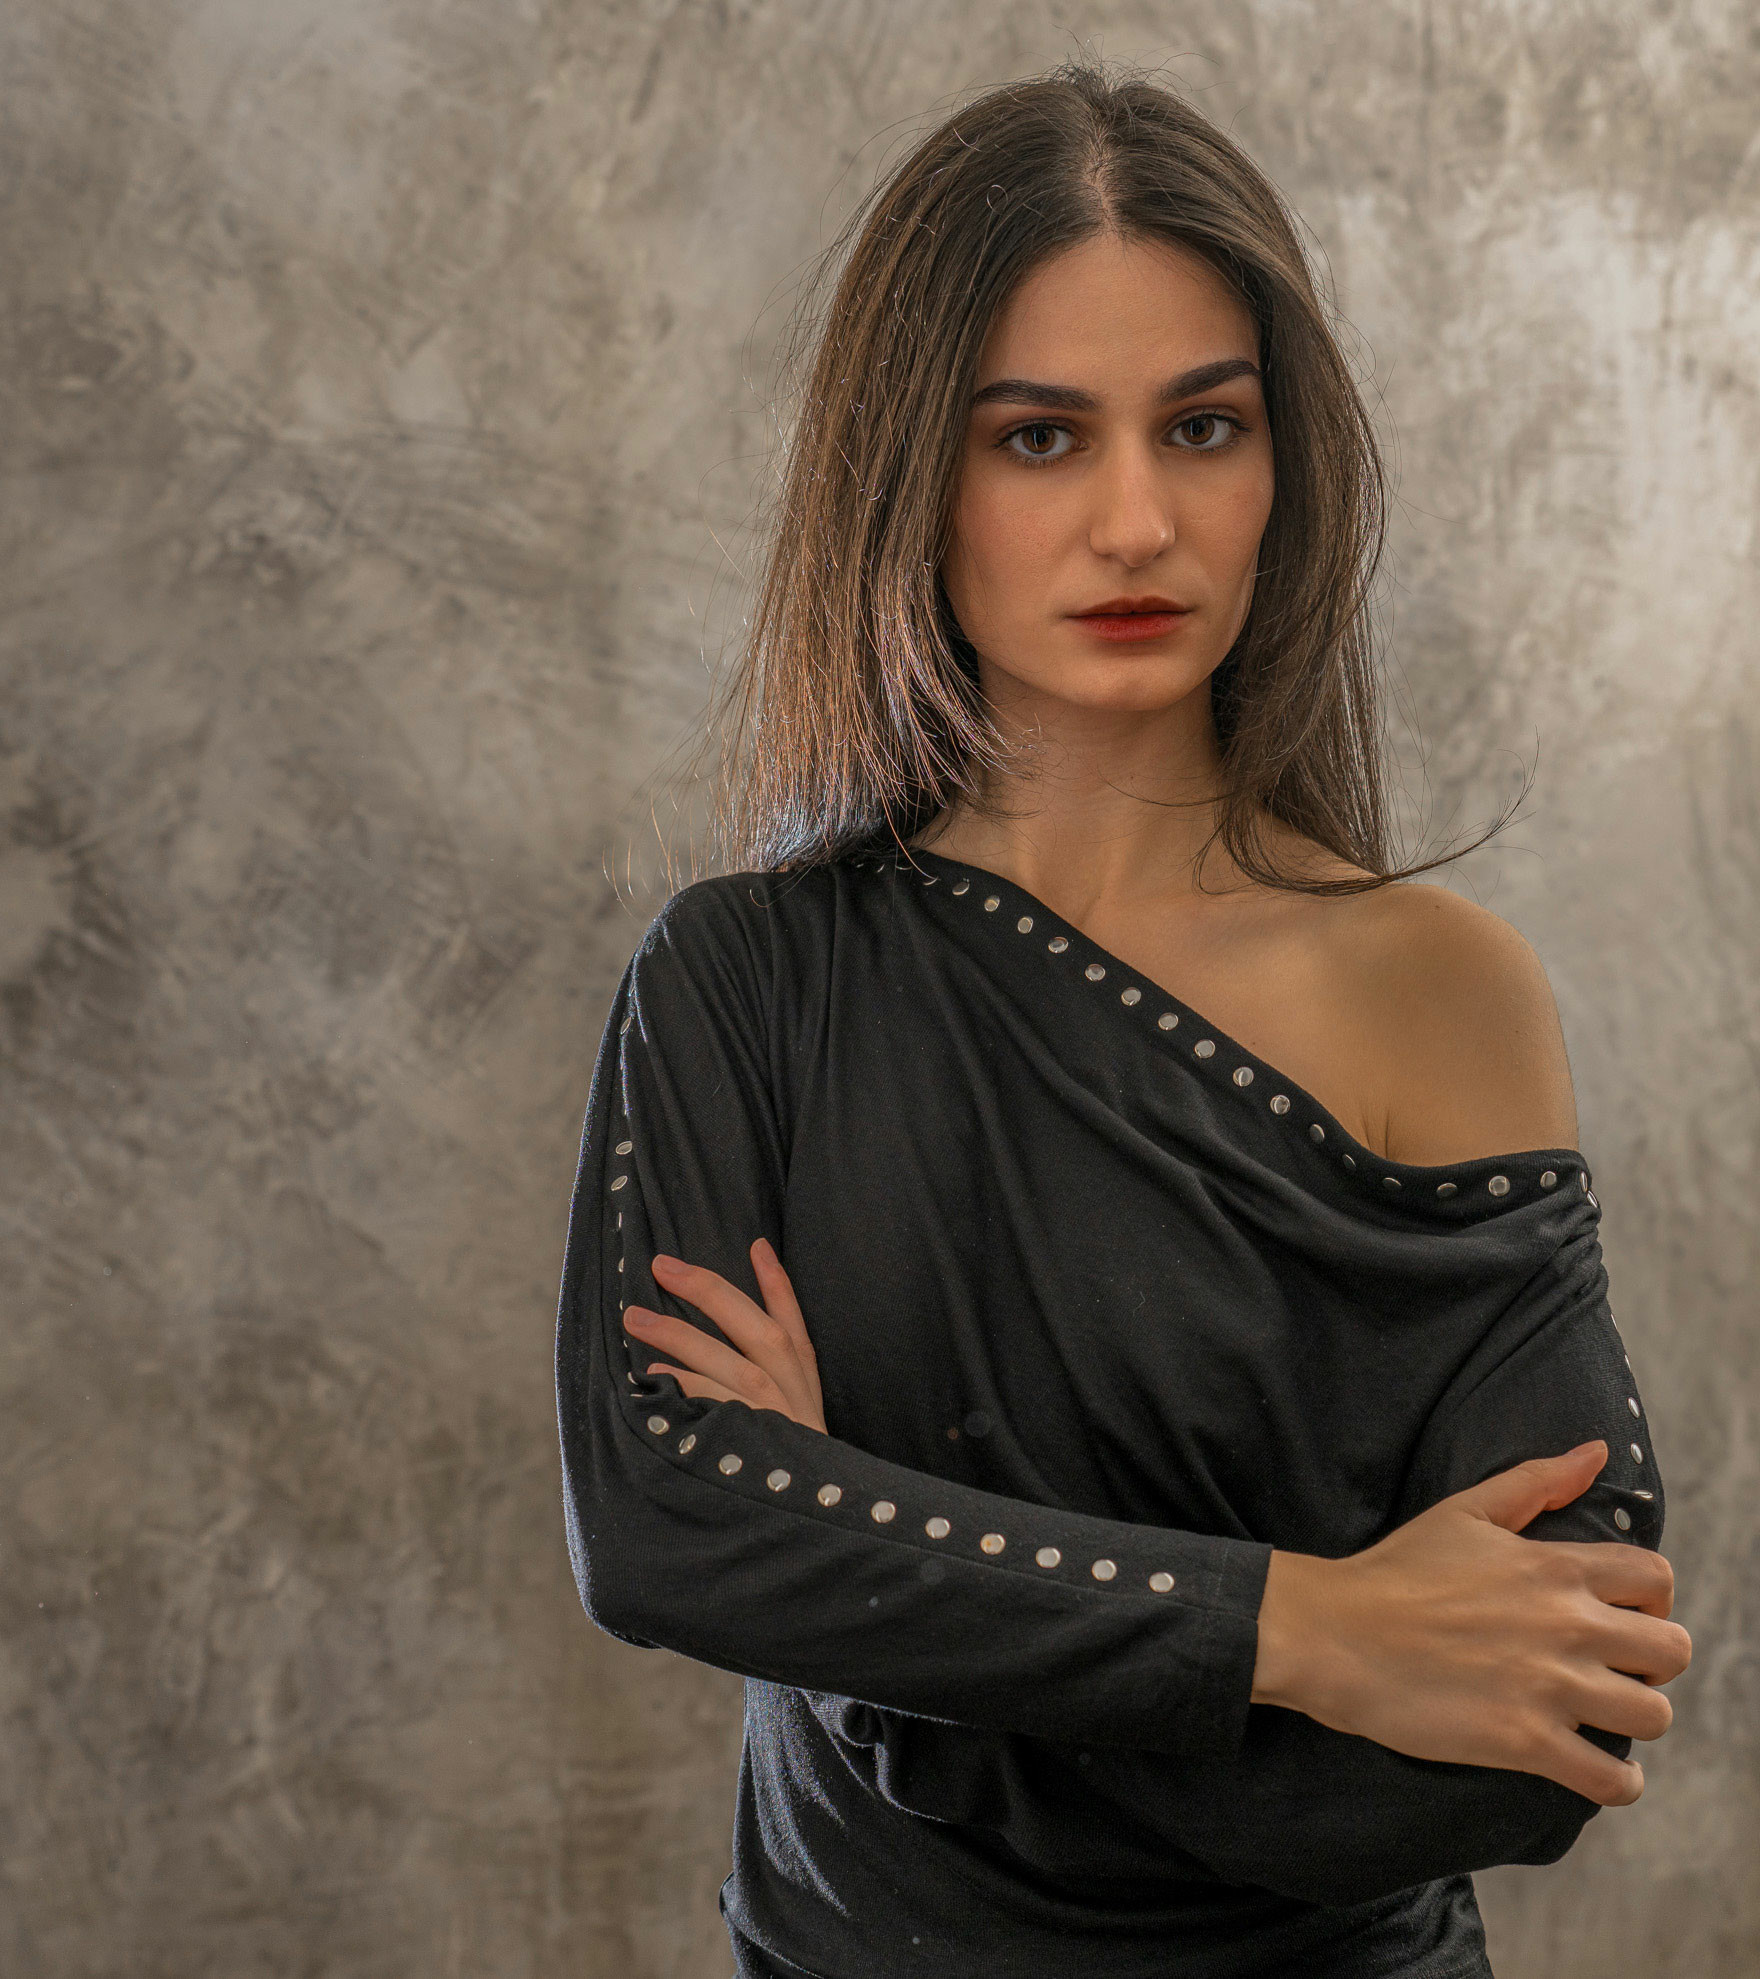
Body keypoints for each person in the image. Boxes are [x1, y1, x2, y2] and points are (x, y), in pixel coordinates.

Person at [554, 63, 1693, 1979]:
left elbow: (1542, 1725)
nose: (1139, 519)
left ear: (1284, 469)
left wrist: (870, 1590)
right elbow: (670, 1526)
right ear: (909, 474)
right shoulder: (744, 979)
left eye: (1204, 426)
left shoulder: (1440, 986)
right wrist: (1312, 1632)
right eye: (1038, 438)